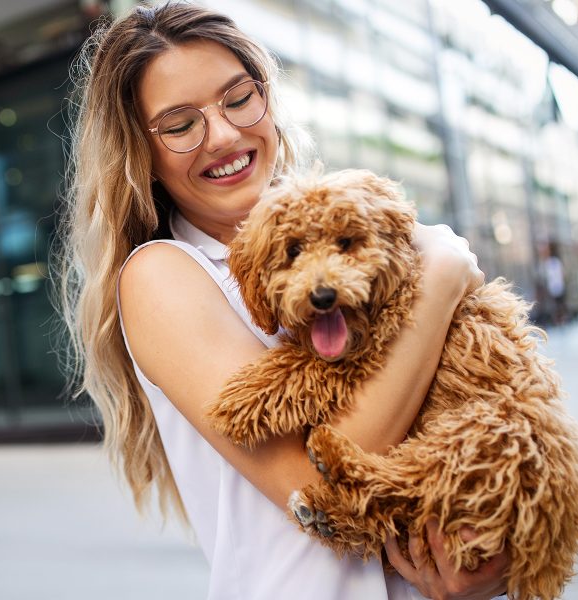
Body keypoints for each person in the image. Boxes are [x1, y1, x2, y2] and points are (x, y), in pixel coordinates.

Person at [56, 3, 509, 599]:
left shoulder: (351, 227)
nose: (222, 135)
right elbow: (320, 493)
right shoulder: (162, 275)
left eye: (238, 98)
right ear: (142, 153)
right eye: (179, 123)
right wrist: (443, 276)